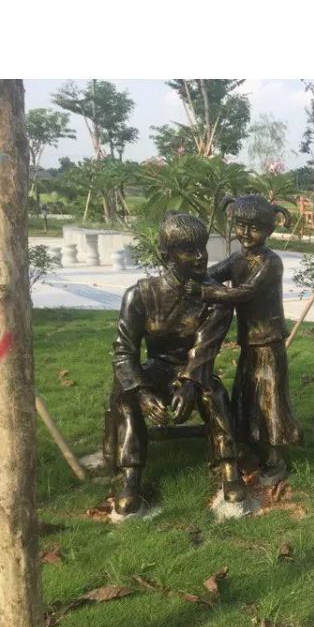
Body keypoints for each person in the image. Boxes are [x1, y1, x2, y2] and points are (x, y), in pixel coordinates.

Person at [103, 211, 246, 515]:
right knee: (126, 397)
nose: (200, 257)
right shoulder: (140, 295)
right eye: (188, 250)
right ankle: (131, 476)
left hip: (194, 369)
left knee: (215, 395)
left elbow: (205, 349)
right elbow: (123, 352)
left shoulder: (215, 297)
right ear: (167, 256)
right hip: (155, 368)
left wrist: (190, 384)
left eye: (202, 247)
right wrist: (142, 391)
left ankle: (229, 467)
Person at [185, 195, 303, 486]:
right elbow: (212, 274)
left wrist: (204, 292)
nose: (246, 234)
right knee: (248, 396)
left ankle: (275, 460)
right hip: (250, 340)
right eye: (241, 226)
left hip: (269, 340)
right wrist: (188, 274)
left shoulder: (271, 263)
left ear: (269, 230)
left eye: (254, 228)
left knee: (270, 400)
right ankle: (251, 445)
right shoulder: (238, 258)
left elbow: (245, 293)